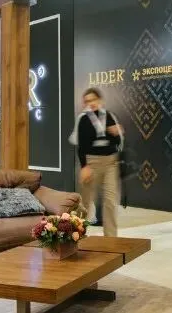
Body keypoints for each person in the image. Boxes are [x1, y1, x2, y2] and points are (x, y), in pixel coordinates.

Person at [75, 88, 122, 237]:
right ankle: (76, 235)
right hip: (91, 163)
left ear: (100, 100)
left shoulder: (109, 116)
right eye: (87, 101)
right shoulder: (83, 120)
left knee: (110, 201)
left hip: (110, 163)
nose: (91, 103)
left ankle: (111, 240)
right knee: (85, 203)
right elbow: (81, 147)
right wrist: (84, 166)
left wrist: (116, 133)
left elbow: (116, 142)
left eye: (93, 100)